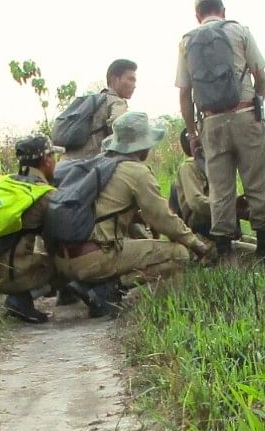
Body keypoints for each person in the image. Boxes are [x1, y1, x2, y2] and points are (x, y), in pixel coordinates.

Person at [53, 110, 211, 316]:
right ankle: (106, 290)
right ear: (142, 145)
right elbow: (163, 218)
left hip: (61, 260)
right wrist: (194, 243)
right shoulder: (136, 172)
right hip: (92, 259)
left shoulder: (98, 164)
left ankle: (79, 284)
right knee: (178, 254)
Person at [175, 0, 265, 264]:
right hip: (245, 114)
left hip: (211, 122)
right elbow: (261, 76)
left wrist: (193, 133)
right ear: (223, 10)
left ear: (197, 16)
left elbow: (184, 93)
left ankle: (225, 254)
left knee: (220, 189)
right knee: (258, 182)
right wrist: (258, 107)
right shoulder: (239, 31)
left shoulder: (187, 41)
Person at [0, 134, 59, 322]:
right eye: (53, 157)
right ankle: (21, 298)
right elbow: (57, 241)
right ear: (47, 160)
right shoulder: (45, 196)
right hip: (11, 279)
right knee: (67, 262)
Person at [58, 59, 138, 159]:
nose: (134, 85)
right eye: (130, 79)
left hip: (65, 165)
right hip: (91, 167)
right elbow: (124, 135)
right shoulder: (117, 103)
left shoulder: (94, 102)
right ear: (115, 79)